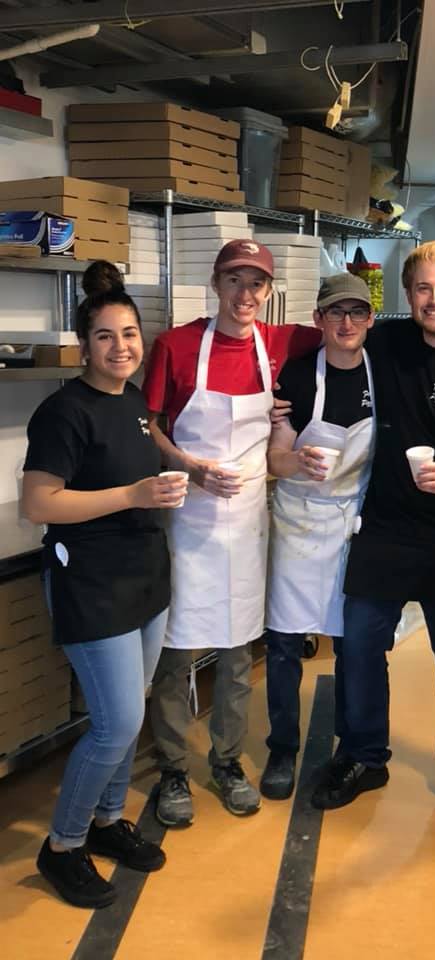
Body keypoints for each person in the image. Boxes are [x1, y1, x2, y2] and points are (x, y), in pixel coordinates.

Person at [310, 241, 435, 837]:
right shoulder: (392, 340)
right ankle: (364, 757)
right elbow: (329, 338)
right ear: (408, 295)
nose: (434, 299)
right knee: (357, 647)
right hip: (385, 529)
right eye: (423, 288)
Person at [22, 262, 187, 910]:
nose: (121, 347)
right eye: (105, 336)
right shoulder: (63, 412)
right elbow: (39, 503)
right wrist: (132, 495)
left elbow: (147, 456)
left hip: (144, 578)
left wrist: (187, 473)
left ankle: (107, 820)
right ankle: (62, 846)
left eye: (129, 334)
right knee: (116, 725)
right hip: (91, 586)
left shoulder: (135, 403)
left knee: (131, 713)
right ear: (84, 345)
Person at [142, 239, 321, 827]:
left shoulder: (282, 343)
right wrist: (189, 466)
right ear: (215, 283)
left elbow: (348, 334)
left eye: (256, 283)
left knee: (240, 651)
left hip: (246, 523)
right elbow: (149, 426)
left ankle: (226, 761)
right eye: (234, 280)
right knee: (176, 652)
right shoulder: (175, 346)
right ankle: (173, 767)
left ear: (268, 291)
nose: (246, 294)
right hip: (187, 519)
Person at [261, 273, 375, 800]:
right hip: (299, 519)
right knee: (284, 643)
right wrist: (296, 462)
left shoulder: (382, 374)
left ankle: (350, 748)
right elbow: (275, 458)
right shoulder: (299, 377)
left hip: (354, 523)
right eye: (336, 313)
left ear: (370, 320)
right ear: (319, 320)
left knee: (354, 643)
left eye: (357, 312)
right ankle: (283, 746)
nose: (346, 323)